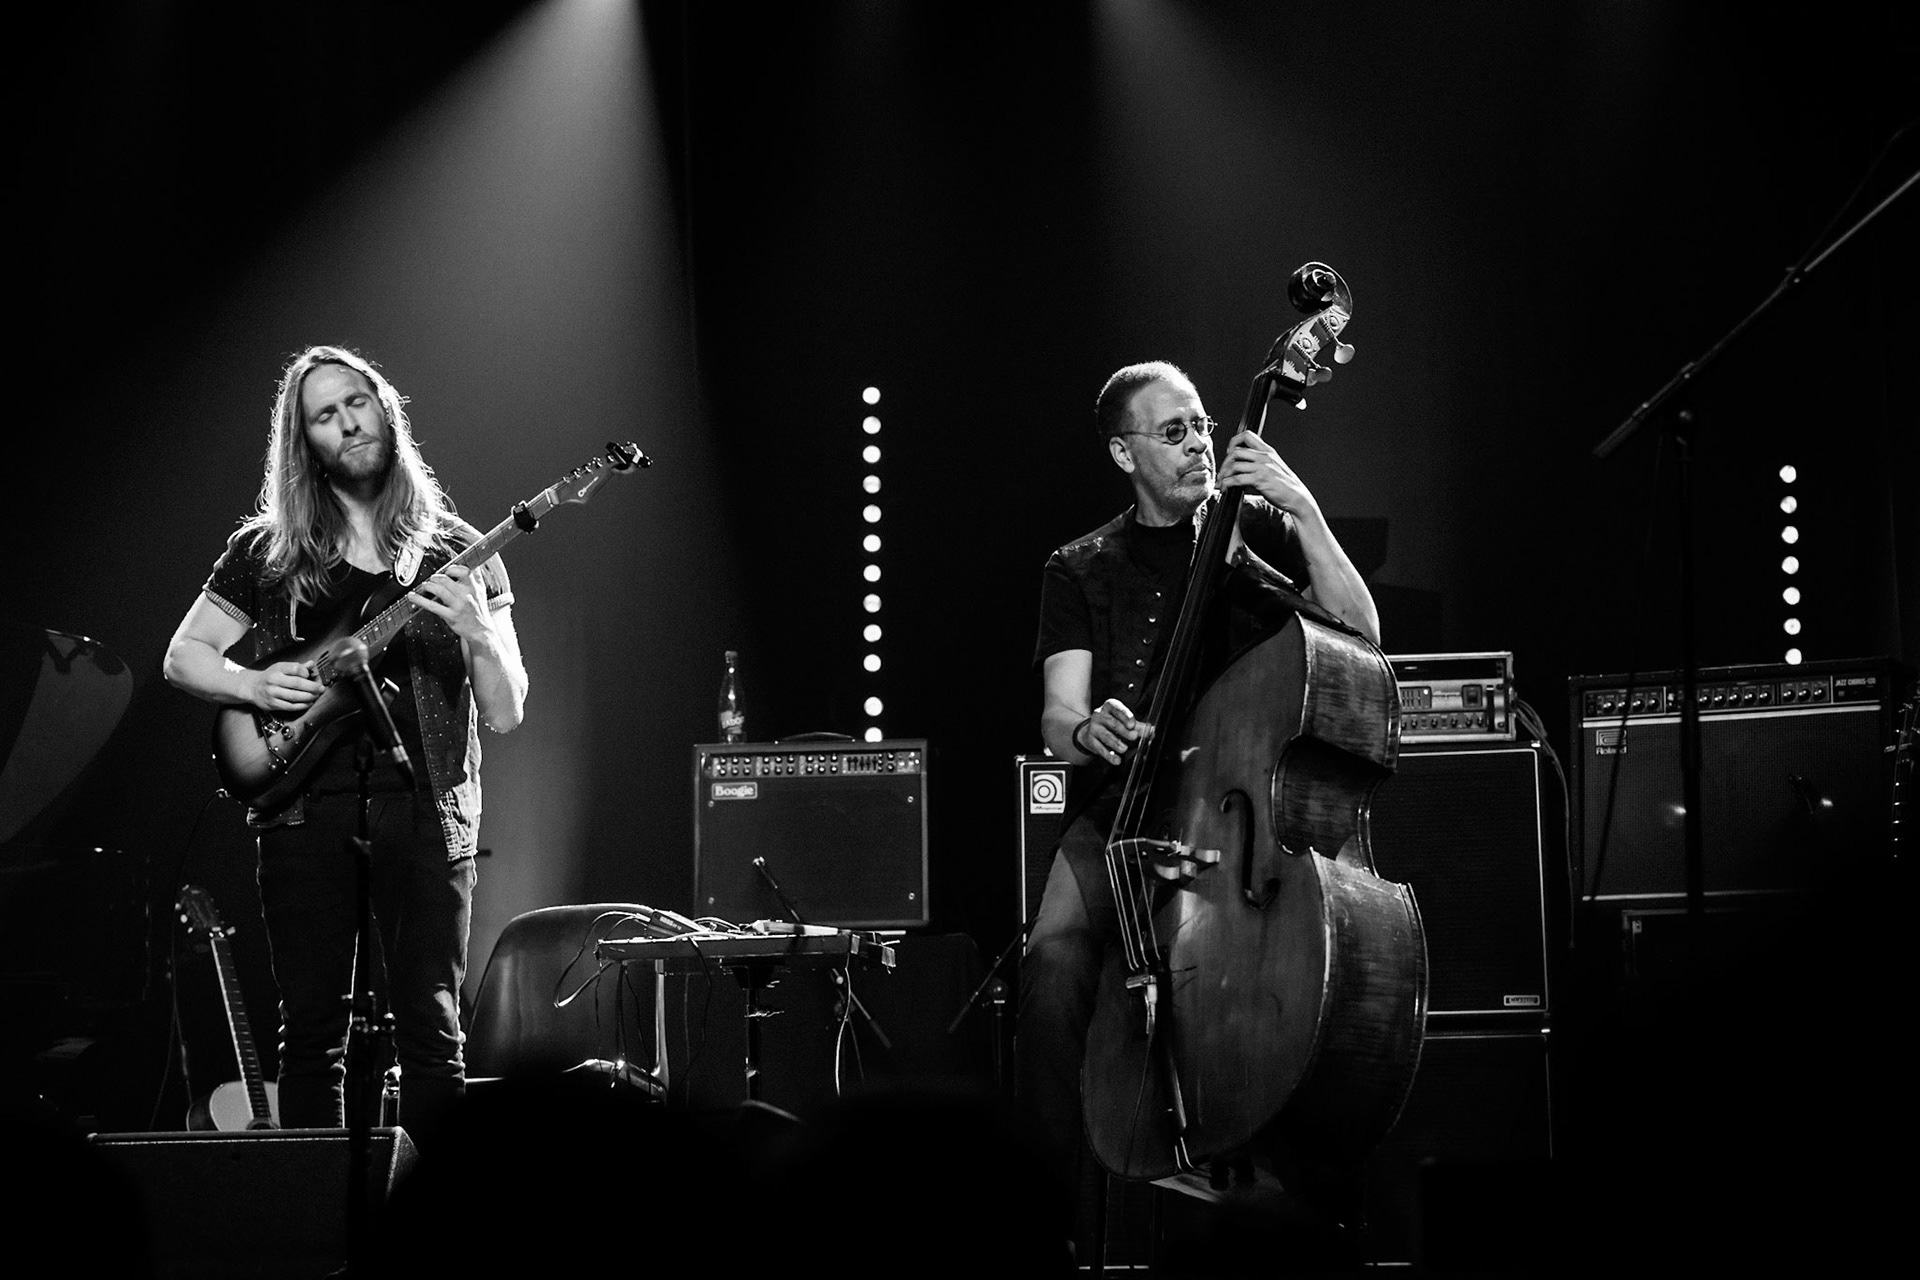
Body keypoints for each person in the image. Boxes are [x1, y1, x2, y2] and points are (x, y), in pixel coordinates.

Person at [1020, 360, 1381, 1228]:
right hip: (1128, 805)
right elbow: (1059, 714)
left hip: (1239, 804)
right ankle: (1045, 1226)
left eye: (1202, 426)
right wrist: (1088, 730)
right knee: (1051, 966)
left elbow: (1364, 634)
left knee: (1289, 981)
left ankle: (1302, 1208)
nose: (1198, 446)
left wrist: (1304, 510)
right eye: (1172, 431)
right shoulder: (1079, 567)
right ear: (1124, 452)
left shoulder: (1254, 530)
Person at [163, 345, 527, 1149]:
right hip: (302, 811)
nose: (347, 423)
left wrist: (476, 630)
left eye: (357, 402)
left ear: (386, 410)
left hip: (430, 811)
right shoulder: (266, 551)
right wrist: (256, 686)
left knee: (433, 1030)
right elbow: (183, 656)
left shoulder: (462, 548)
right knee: (311, 1034)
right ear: (305, 443)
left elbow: (506, 712)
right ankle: (319, 1212)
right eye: (324, 415)